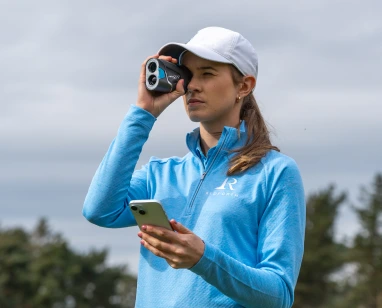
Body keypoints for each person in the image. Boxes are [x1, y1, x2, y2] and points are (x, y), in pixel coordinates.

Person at [83, 26, 306, 308]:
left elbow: (278, 295)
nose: (192, 85)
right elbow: (99, 210)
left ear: (244, 85)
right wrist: (144, 113)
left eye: (207, 73)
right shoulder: (159, 174)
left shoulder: (276, 173)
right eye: (188, 75)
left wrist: (203, 259)